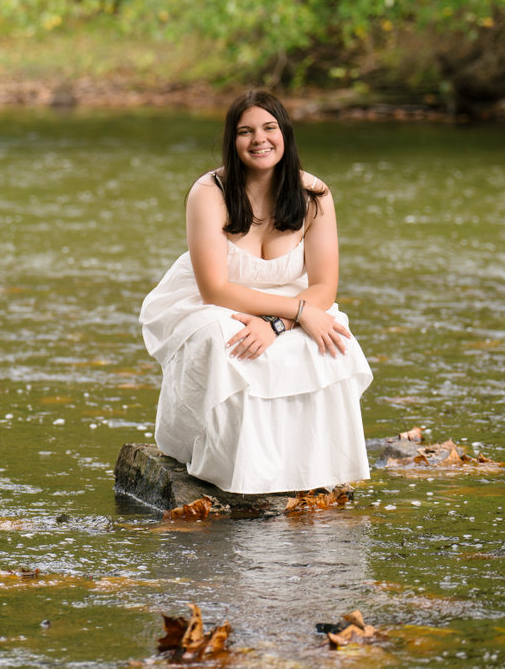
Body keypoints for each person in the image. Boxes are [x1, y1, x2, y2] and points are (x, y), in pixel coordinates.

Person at [140, 90, 372, 494]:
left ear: (285, 134)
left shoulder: (314, 195)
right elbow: (214, 288)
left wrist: (279, 324)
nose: (259, 139)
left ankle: (310, 465)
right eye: (245, 132)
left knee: (332, 340)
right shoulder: (209, 192)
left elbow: (324, 285)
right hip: (214, 300)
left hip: (293, 304)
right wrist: (293, 314)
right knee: (225, 338)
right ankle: (228, 466)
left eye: (269, 128)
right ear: (232, 142)